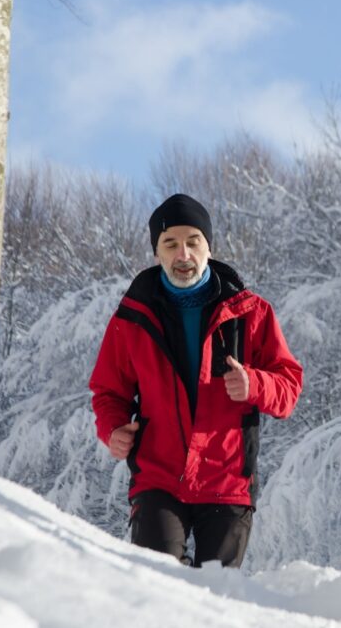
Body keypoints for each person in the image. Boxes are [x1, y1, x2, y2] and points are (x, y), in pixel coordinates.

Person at [89, 193, 302, 568]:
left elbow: (289, 388)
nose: (182, 254)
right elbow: (109, 390)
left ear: (209, 247)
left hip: (228, 481)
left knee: (214, 597)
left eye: (193, 241)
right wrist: (112, 428)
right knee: (158, 580)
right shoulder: (132, 318)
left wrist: (254, 384)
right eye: (170, 244)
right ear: (157, 253)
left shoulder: (251, 313)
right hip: (158, 478)